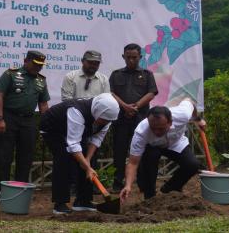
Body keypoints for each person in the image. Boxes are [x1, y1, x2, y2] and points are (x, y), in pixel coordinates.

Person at [40, 93, 119, 214]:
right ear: (97, 111)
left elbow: (96, 139)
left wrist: (87, 161)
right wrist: (86, 167)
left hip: (75, 131)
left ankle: (83, 201)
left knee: (89, 160)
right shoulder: (76, 111)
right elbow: (73, 145)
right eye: (103, 119)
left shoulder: (107, 117)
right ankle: (60, 204)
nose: (104, 122)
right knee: (63, 158)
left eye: (107, 121)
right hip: (53, 129)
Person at [119, 99, 206, 203]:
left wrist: (197, 119)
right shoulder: (141, 132)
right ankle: (150, 198)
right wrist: (128, 186)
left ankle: (170, 189)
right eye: (153, 128)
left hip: (176, 143)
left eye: (161, 128)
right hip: (152, 147)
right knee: (149, 160)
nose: (156, 132)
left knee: (192, 165)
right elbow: (133, 163)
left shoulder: (182, 114)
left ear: (170, 122)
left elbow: (189, 101)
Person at [0, 50, 50, 196]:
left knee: (26, 156)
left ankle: (20, 190)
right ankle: (1, 191)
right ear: (26, 61)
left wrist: (46, 125)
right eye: (36, 64)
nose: (39, 67)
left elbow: (43, 104)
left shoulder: (41, 80)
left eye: (41, 65)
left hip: (29, 120)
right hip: (8, 118)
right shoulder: (11, 74)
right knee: (4, 156)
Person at [109, 43, 158, 193]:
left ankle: (143, 184)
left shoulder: (147, 74)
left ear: (140, 57)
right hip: (121, 118)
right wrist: (125, 106)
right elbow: (110, 93)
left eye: (134, 57)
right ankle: (117, 183)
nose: (131, 60)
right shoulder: (116, 74)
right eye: (128, 57)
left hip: (141, 119)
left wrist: (135, 107)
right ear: (123, 57)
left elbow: (152, 92)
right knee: (119, 151)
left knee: (142, 151)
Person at [61, 50, 110, 194]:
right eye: (90, 62)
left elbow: (106, 100)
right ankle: (72, 184)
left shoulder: (103, 79)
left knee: (92, 152)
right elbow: (67, 100)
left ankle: (90, 184)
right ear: (83, 61)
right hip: (74, 119)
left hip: (95, 121)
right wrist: (85, 108)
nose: (93, 66)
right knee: (74, 151)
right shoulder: (71, 77)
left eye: (96, 63)